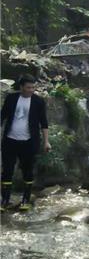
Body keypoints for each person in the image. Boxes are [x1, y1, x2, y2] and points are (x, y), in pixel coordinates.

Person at [1, 74, 51, 211]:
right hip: (10, 141)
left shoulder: (38, 101)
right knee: (7, 171)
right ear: (21, 87)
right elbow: (2, 116)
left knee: (27, 171)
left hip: (29, 142)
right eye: (28, 87)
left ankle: (25, 200)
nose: (31, 90)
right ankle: (4, 201)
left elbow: (44, 123)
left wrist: (46, 142)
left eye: (33, 87)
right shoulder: (11, 98)